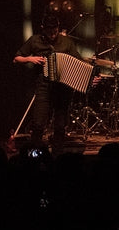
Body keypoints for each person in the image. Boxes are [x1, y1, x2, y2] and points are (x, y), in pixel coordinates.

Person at [13, 14, 84, 148]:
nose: (53, 32)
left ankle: (58, 152)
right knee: (39, 122)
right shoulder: (34, 41)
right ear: (43, 28)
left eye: (55, 29)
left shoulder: (66, 42)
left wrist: (90, 75)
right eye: (49, 29)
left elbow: (79, 62)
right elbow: (16, 58)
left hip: (62, 87)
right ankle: (35, 151)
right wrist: (30, 59)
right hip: (44, 85)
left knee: (60, 124)